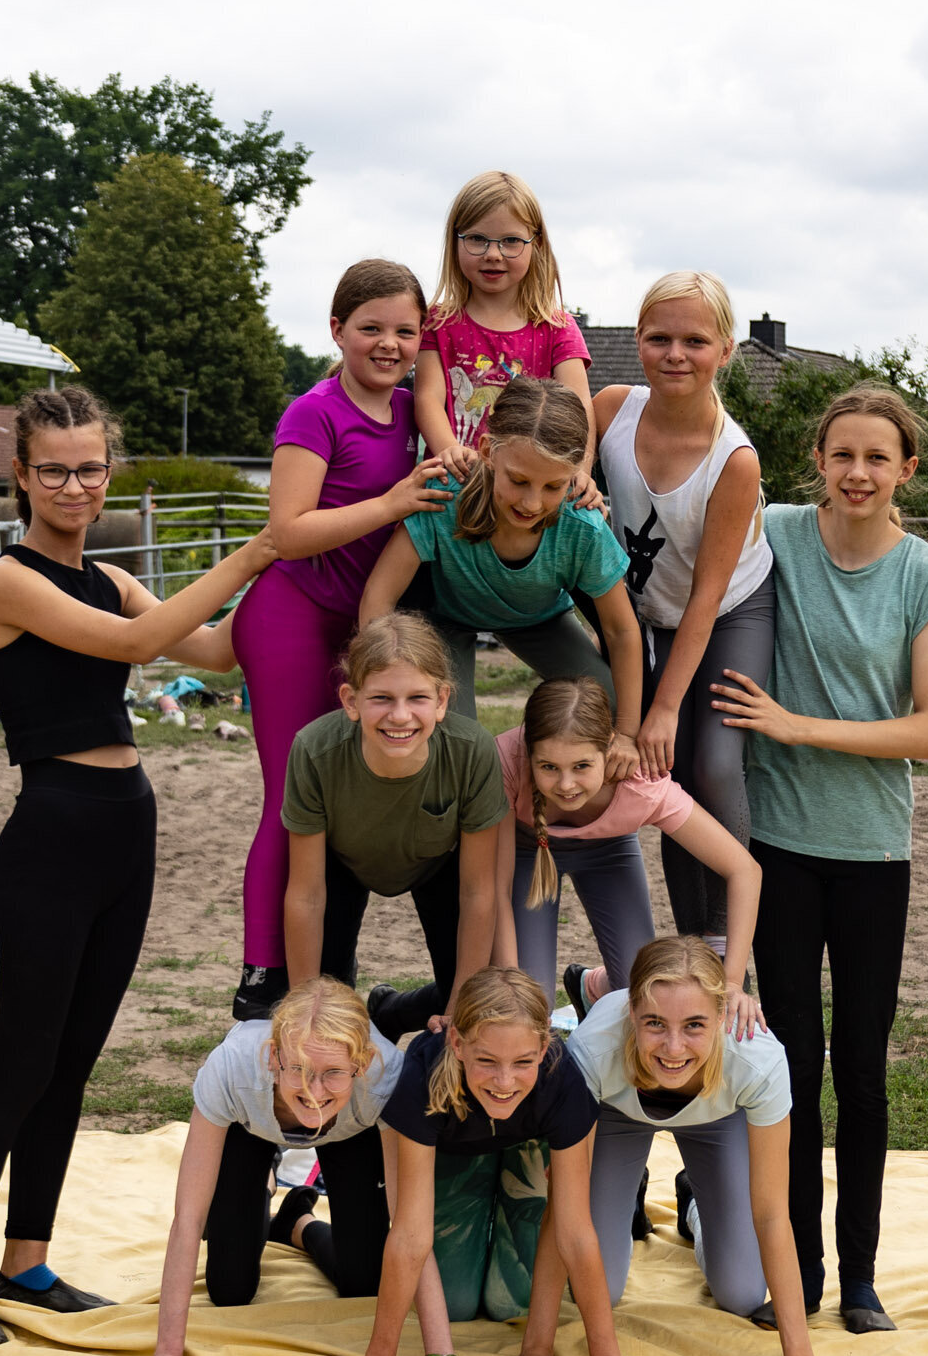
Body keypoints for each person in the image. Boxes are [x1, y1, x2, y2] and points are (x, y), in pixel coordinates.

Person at [0, 386, 279, 1348]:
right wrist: (257, 549)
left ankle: (25, 1261)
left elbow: (214, 652)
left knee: (72, 1066)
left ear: (108, 471)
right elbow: (135, 647)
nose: (74, 485)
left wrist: (300, 579)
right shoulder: (8, 582)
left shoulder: (114, 577)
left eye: (90, 467)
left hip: (129, 823)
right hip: (52, 830)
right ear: (22, 478)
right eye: (53, 469)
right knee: (22, 1062)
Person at [709, 385, 928, 1335]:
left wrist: (794, 726)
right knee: (789, 1061)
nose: (858, 472)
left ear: (906, 469)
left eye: (878, 458)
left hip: (870, 850)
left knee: (861, 1069)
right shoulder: (773, 530)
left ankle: (859, 1278)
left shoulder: (924, 575)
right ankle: (797, 1274)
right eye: (842, 454)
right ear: (817, 458)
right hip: (774, 849)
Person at [228, 260, 457, 1020]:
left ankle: (334, 970)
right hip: (295, 616)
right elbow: (288, 532)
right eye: (371, 328)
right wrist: (391, 499)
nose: (389, 343)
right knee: (292, 801)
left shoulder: (413, 413)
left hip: (364, 620)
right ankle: (264, 972)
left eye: (404, 330)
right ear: (336, 330)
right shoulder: (314, 412)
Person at [549, 937, 846, 1356]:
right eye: (654, 1023)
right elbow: (562, 1210)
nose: (672, 1047)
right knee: (596, 1290)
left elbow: (771, 1214)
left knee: (743, 1294)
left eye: (693, 1025)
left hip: (715, 1113)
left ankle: (692, 1202)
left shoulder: (757, 1059)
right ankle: (628, 1189)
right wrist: (536, 1349)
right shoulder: (593, 1050)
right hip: (616, 1112)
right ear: (631, 1013)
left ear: (723, 1015)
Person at [100, 977, 425, 1356]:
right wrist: (167, 1353)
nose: (313, 1088)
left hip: (348, 1128)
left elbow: (409, 1224)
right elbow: (188, 1218)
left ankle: (296, 1222)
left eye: (330, 1072)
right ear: (273, 1056)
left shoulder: (384, 1079)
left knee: (363, 1283)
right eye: (300, 1069)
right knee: (229, 1290)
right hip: (252, 1124)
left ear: (361, 1065)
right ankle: (264, 1178)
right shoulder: (232, 1066)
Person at [589, 272, 772, 945]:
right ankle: (692, 943)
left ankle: (731, 940)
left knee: (714, 763)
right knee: (665, 771)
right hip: (649, 612)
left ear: (725, 350)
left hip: (728, 611)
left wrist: (663, 707)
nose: (674, 353)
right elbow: (570, 462)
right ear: (636, 341)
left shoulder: (734, 459)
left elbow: (706, 597)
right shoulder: (610, 409)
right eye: (658, 337)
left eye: (694, 340)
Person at [346, 967, 617, 1356]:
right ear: (457, 1044)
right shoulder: (424, 1071)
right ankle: (299, 1222)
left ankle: (505, 1184)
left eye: (523, 1062)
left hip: (527, 1144)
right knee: (453, 1302)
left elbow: (572, 1228)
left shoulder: (560, 1077)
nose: (505, 1079)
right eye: (487, 1060)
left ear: (545, 1048)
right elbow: (411, 1234)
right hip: (458, 1150)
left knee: (508, 1299)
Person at [356, 377, 644, 729]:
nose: (531, 503)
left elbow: (621, 631)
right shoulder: (444, 496)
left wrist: (629, 735)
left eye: (553, 486)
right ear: (488, 451)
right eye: (519, 480)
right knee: (455, 734)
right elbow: (379, 597)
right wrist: (377, 684)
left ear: (576, 473)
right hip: (447, 621)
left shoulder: (582, 524)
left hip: (540, 619)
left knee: (611, 708)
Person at [281, 613, 511, 1043]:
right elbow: (307, 894)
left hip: (438, 865)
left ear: (443, 700)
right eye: (382, 698)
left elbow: (479, 890)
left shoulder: (471, 751)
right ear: (350, 701)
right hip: (342, 864)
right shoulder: (314, 750)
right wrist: (303, 1003)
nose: (400, 716)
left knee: (467, 1001)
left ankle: (391, 1010)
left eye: (418, 698)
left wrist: (461, 1001)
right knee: (328, 1006)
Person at [493, 676, 762, 1018]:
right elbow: (495, 887)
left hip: (608, 853)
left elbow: (744, 870)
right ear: (528, 752)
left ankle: (593, 986)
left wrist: (733, 982)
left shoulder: (641, 785)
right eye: (548, 767)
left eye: (582, 766)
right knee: (529, 1006)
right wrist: (506, 976)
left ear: (609, 746)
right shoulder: (505, 761)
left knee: (641, 997)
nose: (565, 784)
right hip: (526, 851)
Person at [415, 169, 592, 463]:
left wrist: (580, 473)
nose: (493, 254)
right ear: (455, 241)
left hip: (533, 488)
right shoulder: (438, 323)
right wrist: (453, 454)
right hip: (456, 484)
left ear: (536, 245)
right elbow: (427, 399)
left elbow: (579, 409)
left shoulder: (558, 328)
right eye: (477, 239)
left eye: (510, 241)